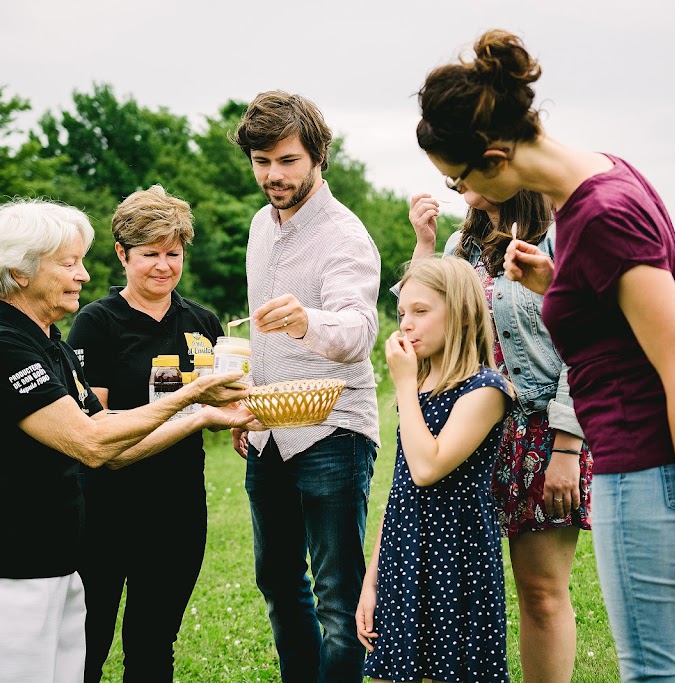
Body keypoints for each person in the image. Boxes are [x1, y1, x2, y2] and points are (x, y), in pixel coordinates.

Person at [415, 29, 675, 682]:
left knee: (660, 672)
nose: (465, 196)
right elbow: (627, 318)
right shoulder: (603, 176)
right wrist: (558, 285)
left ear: (494, 157)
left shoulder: (601, 213)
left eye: (459, 179)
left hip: (656, 454)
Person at [0, 198, 260, 683]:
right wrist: (195, 394)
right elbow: (92, 443)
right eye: (69, 263)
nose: (83, 276)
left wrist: (202, 416)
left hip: (43, 561)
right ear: (20, 271)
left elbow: (115, 447)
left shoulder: (49, 345)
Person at [407, 188, 591, 682]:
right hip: (471, 431)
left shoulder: (556, 238)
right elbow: (423, 318)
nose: (459, 180)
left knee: (541, 589)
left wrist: (567, 445)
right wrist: (424, 247)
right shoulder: (460, 247)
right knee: (455, 585)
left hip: (541, 433)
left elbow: (584, 338)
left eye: (467, 166)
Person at [229, 90, 382, 683]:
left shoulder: (345, 235)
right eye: (262, 161)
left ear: (318, 155)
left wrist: (305, 320)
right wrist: (249, 405)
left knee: (339, 602)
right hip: (268, 432)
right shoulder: (257, 229)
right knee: (277, 583)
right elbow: (261, 342)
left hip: (332, 433)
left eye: (287, 160)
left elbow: (358, 331)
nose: (273, 175)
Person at [65, 185, 230, 681]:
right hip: (105, 507)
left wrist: (248, 421)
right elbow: (94, 425)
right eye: (149, 254)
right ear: (122, 254)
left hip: (178, 507)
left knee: (153, 639)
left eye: (173, 254)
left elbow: (229, 395)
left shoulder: (202, 323)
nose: (163, 266)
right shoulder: (95, 323)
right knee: (87, 640)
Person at [356, 255, 513, 683]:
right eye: (403, 312)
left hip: (456, 558)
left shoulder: (486, 390)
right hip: (405, 553)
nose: (406, 324)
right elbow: (403, 487)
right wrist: (373, 579)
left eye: (421, 311)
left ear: (460, 312)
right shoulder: (420, 387)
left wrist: (404, 385)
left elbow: (428, 468)